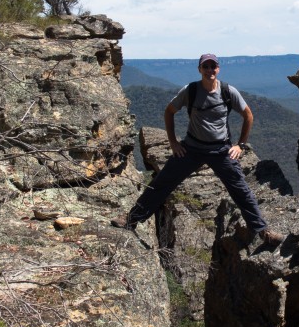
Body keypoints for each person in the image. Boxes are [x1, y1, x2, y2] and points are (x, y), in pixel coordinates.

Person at [113, 53, 283, 247]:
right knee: (161, 183)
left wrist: (240, 145)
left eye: (213, 66)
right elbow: (169, 111)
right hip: (191, 149)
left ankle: (263, 231)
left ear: (218, 69)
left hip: (221, 151)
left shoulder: (228, 91)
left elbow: (248, 115)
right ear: (200, 69)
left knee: (241, 191)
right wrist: (173, 143)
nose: (210, 70)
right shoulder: (191, 90)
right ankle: (131, 219)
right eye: (206, 67)